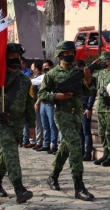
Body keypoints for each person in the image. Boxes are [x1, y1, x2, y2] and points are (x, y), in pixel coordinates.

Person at [39, 41, 96, 201]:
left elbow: (89, 92)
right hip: (62, 114)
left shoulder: (78, 72)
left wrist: (88, 80)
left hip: (77, 115)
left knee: (65, 148)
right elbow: (42, 94)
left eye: (72, 52)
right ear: (59, 55)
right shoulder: (52, 74)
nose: (70, 54)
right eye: (66, 52)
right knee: (76, 145)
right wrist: (56, 96)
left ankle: (53, 176)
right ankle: (79, 186)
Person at [0, 43, 35, 203]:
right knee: (11, 150)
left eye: (17, 56)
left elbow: (29, 105)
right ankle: (19, 188)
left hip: (18, 123)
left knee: (7, 155)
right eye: (11, 56)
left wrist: (32, 125)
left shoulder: (25, 80)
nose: (15, 59)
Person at [93, 52, 110, 166]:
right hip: (100, 105)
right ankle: (105, 152)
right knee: (101, 131)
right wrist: (94, 64)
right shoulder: (99, 73)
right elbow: (87, 72)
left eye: (103, 60)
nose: (102, 62)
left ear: (109, 60)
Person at [75, 59, 96, 161]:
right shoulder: (78, 79)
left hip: (85, 107)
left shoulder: (90, 79)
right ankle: (81, 151)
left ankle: (88, 152)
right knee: (80, 132)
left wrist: (89, 107)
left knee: (86, 131)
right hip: (78, 107)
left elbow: (91, 94)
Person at [36, 60, 59, 154]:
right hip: (43, 103)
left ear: (51, 66)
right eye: (43, 66)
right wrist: (38, 102)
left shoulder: (54, 75)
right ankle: (46, 144)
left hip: (51, 104)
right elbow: (35, 83)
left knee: (52, 125)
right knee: (45, 125)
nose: (45, 68)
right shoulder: (43, 76)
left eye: (47, 66)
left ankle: (54, 145)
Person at [28, 61, 44, 150]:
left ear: (36, 69)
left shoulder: (41, 78)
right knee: (31, 122)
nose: (31, 69)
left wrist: (37, 103)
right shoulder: (31, 78)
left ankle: (38, 142)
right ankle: (32, 141)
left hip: (37, 102)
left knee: (38, 123)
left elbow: (40, 92)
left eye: (32, 67)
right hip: (30, 103)